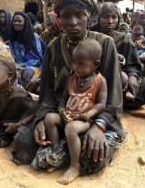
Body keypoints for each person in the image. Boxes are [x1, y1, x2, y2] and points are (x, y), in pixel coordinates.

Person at [12, 0, 126, 184]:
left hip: (91, 118)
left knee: (93, 157)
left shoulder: (104, 44)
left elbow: (113, 98)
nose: (72, 22)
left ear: (89, 16)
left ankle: (66, 155)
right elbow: (47, 93)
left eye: (79, 15)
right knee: (23, 146)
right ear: (59, 18)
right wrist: (40, 120)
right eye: (65, 16)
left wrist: (98, 126)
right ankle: (63, 150)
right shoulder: (53, 47)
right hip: (59, 116)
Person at [43, 39, 107, 184]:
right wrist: (61, 111)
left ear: (95, 64)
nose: (76, 67)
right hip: (69, 115)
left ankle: (75, 166)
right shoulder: (72, 79)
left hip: (85, 120)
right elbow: (63, 98)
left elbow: (101, 104)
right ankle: (56, 153)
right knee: (49, 118)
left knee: (71, 128)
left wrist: (85, 115)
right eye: (74, 62)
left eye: (81, 64)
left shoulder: (100, 81)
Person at [93, 2, 145, 109]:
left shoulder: (124, 39)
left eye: (114, 17)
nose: (110, 21)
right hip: (94, 76)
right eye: (106, 17)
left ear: (118, 19)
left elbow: (133, 64)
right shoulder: (92, 35)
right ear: (99, 18)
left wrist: (132, 77)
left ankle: (104, 102)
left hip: (119, 78)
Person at [7, 11, 45, 92]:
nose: (16, 23)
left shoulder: (34, 37)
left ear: (25, 22)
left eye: (19, 21)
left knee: (27, 72)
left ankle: (28, 92)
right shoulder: (12, 40)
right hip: (16, 66)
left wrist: (22, 66)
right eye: (14, 21)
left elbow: (39, 59)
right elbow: (11, 57)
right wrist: (15, 65)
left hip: (35, 68)